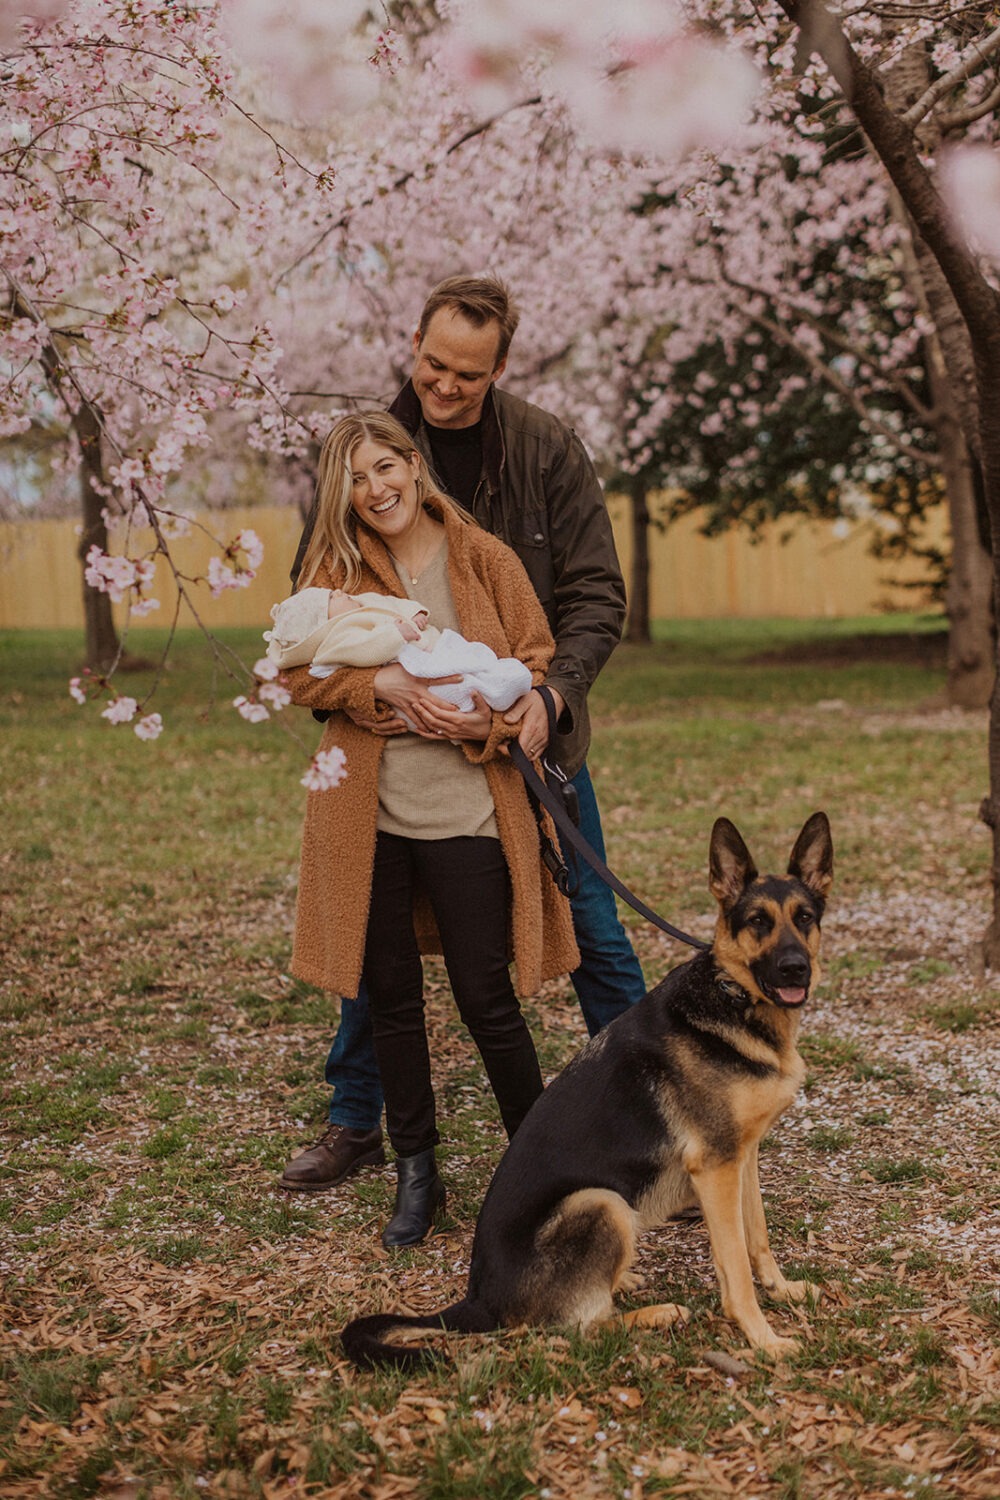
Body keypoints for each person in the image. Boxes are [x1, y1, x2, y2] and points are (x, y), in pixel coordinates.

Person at [280, 274, 647, 1195]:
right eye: (435, 364)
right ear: (414, 343)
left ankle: (650, 1123)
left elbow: (596, 594)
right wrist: (379, 684)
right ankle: (356, 1118)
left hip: (528, 743)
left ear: (501, 367)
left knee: (595, 931)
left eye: (468, 376)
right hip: (389, 766)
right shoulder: (364, 456)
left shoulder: (543, 449)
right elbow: (308, 624)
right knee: (377, 950)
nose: (446, 387)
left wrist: (549, 698)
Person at [283, 411, 578, 1246]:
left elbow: (534, 669)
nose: (377, 491)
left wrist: (478, 728)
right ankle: (418, 1172)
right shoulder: (335, 565)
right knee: (390, 998)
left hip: (469, 811)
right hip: (367, 814)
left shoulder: (485, 556)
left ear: (414, 466)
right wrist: (375, 685)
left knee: (488, 998)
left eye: (386, 468)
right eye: (357, 481)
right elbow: (299, 674)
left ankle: (545, 1165)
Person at [265, 583, 533, 715]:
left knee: (470, 660)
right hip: (417, 665)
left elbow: (391, 603)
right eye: (329, 599)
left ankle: (497, 679)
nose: (337, 590)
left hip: (434, 646)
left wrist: (414, 613)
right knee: (456, 685)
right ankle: (492, 692)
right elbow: (363, 649)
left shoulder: (362, 602)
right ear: (322, 624)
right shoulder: (337, 637)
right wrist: (395, 634)